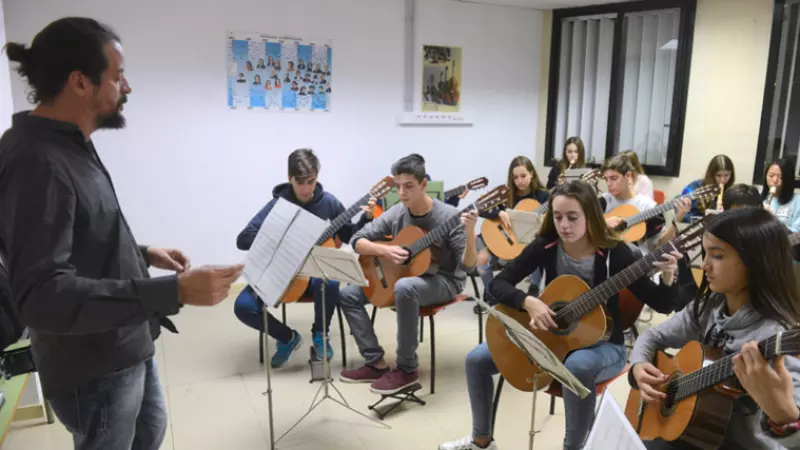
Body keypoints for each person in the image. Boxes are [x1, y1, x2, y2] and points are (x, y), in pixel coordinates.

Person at [0, 17, 243, 450]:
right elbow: (42, 295)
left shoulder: (69, 142)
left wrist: (142, 251)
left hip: (126, 341)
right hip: (94, 364)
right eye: (116, 76)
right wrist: (176, 292)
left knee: (149, 432)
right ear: (80, 82)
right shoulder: (38, 162)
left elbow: (79, 230)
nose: (126, 86)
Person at [439, 180, 680, 450]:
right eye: (558, 217)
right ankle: (480, 440)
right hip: (552, 338)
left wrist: (669, 276)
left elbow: (661, 303)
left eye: (573, 217)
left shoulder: (616, 253)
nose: (564, 225)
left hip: (604, 345)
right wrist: (528, 301)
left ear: (590, 215)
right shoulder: (547, 245)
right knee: (476, 359)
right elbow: (498, 283)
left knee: (576, 367)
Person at [630, 208, 800, 450]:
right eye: (705, 254)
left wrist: (784, 415)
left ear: (756, 262)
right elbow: (652, 335)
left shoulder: (776, 334)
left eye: (717, 256)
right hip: (694, 433)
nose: (705, 265)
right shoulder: (709, 306)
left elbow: (794, 430)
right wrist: (638, 365)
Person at [338, 154, 478, 394]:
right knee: (348, 294)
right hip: (405, 276)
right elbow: (356, 239)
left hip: (444, 280)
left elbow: (468, 268)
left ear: (424, 185)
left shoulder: (449, 217)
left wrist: (470, 233)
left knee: (405, 288)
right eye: (398, 186)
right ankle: (375, 362)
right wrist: (384, 250)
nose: (402, 193)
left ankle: (407, 369)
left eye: (409, 186)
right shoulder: (397, 212)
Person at [234, 149, 357, 367]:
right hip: (279, 276)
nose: (306, 188)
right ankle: (287, 338)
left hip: (311, 277)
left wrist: (365, 218)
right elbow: (243, 239)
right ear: (289, 178)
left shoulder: (328, 202)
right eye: (300, 182)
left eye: (311, 181)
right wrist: (281, 238)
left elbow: (349, 235)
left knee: (329, 281)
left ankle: (320, 334)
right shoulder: (276, 206)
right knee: (243, 306)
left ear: (317, 177)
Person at [477, 156, 549, 299]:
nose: (519, 181)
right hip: (507, 239)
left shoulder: (543, 196)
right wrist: (500, 212)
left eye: (523, 176)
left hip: (528, 242)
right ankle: (491, 292)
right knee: (481, 259)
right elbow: (480, 208)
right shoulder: (506, 194)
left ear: (532, 173)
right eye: (515, 177)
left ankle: (533, 288)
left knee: (539, 246)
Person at [599, 154, 667, 251]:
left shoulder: (648, 206)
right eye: (606, 179)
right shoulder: (604, 201)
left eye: (614, 178)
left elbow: (659, 244)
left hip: (637, 260)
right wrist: (603, 223)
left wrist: (676, 221)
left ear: (628, 176)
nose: (608, 184)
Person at [680, 154, 736, 220]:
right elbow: (683, 214)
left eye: (726, 175)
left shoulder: (733, 192)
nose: (722, 180)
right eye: (718, 175)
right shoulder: (694, 187)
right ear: (711, 174)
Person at [762, 158, 800, 232]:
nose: (775, 180)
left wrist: (773, 220)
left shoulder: (797, 202)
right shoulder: (760, 198)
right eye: (771, 176)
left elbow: (797, 236)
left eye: (780, 177)